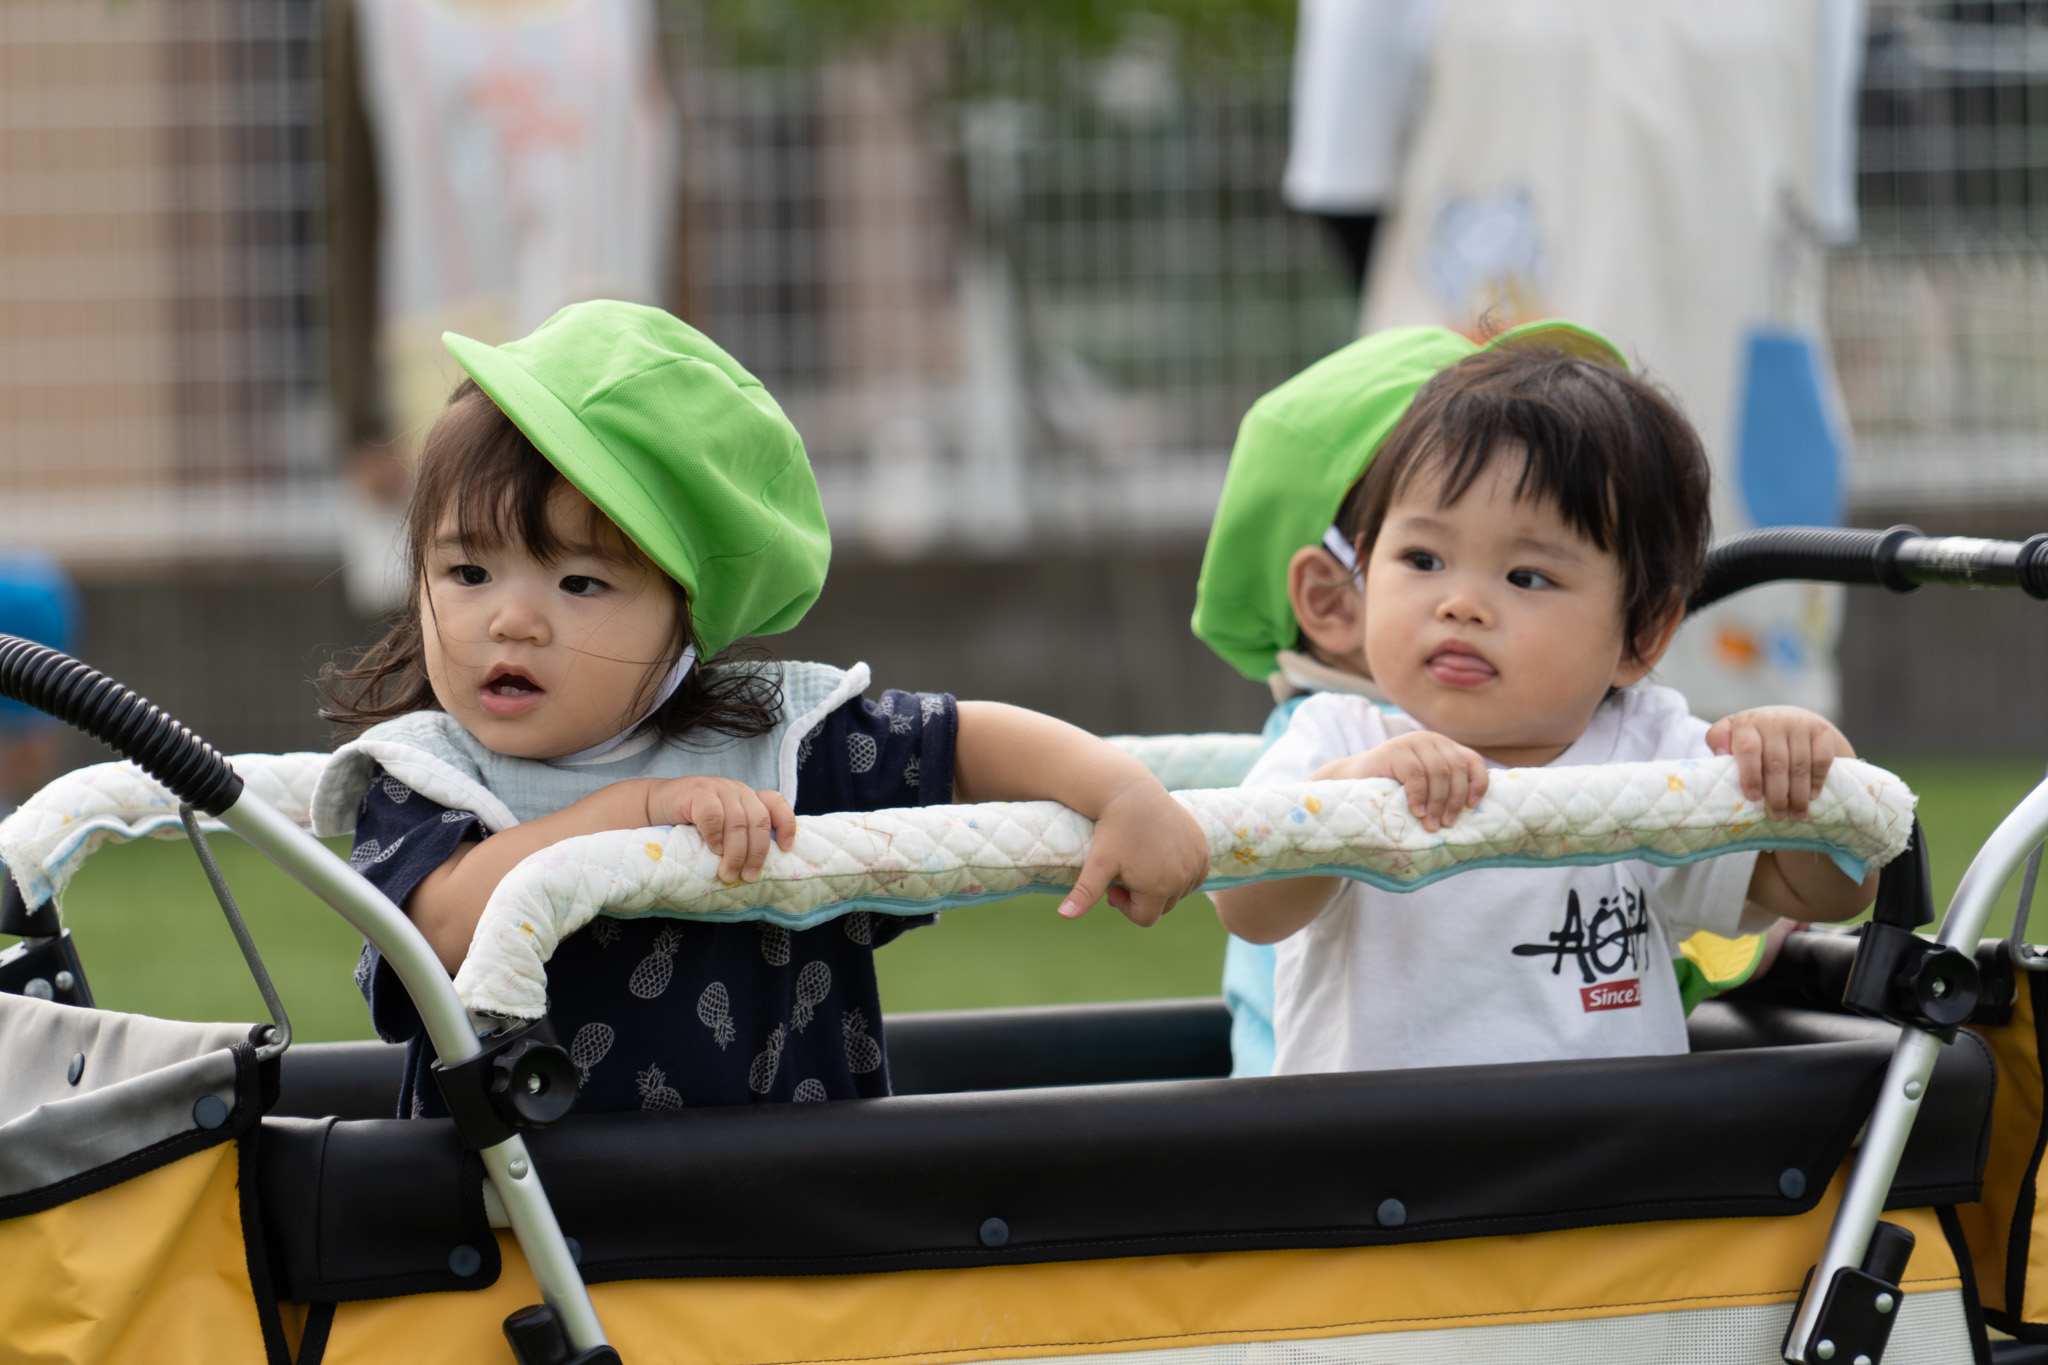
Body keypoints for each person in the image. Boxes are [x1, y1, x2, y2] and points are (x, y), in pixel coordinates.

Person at [316, 300, 1209, 1116]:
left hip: (791, 1232)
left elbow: (963, 739)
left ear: (687, 618)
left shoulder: (774, 743)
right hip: (527, 1248)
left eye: (580, 581)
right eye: (466, 573)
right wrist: (635, 817)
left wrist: (1122, 790)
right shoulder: (431, 772)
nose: (510, 619)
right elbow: (434, 924)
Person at [1207, 339, 1877, 1075]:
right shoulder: (1336, 734)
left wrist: (1812, 780)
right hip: (1384, 1171)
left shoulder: (1655, 753)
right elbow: (1249, 905)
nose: (1460, 603)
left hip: (1602, 1171)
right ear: (1365, 570)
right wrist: (1352, 799)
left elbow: (1831, 889)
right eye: (1422, 560)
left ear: (1642, 631)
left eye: (1525, 576)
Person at [0, 552, 81, 818]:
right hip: (44, 598)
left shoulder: (30, 590)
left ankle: (25, 818)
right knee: (34, 730)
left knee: (32, 732)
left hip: (35, 605)